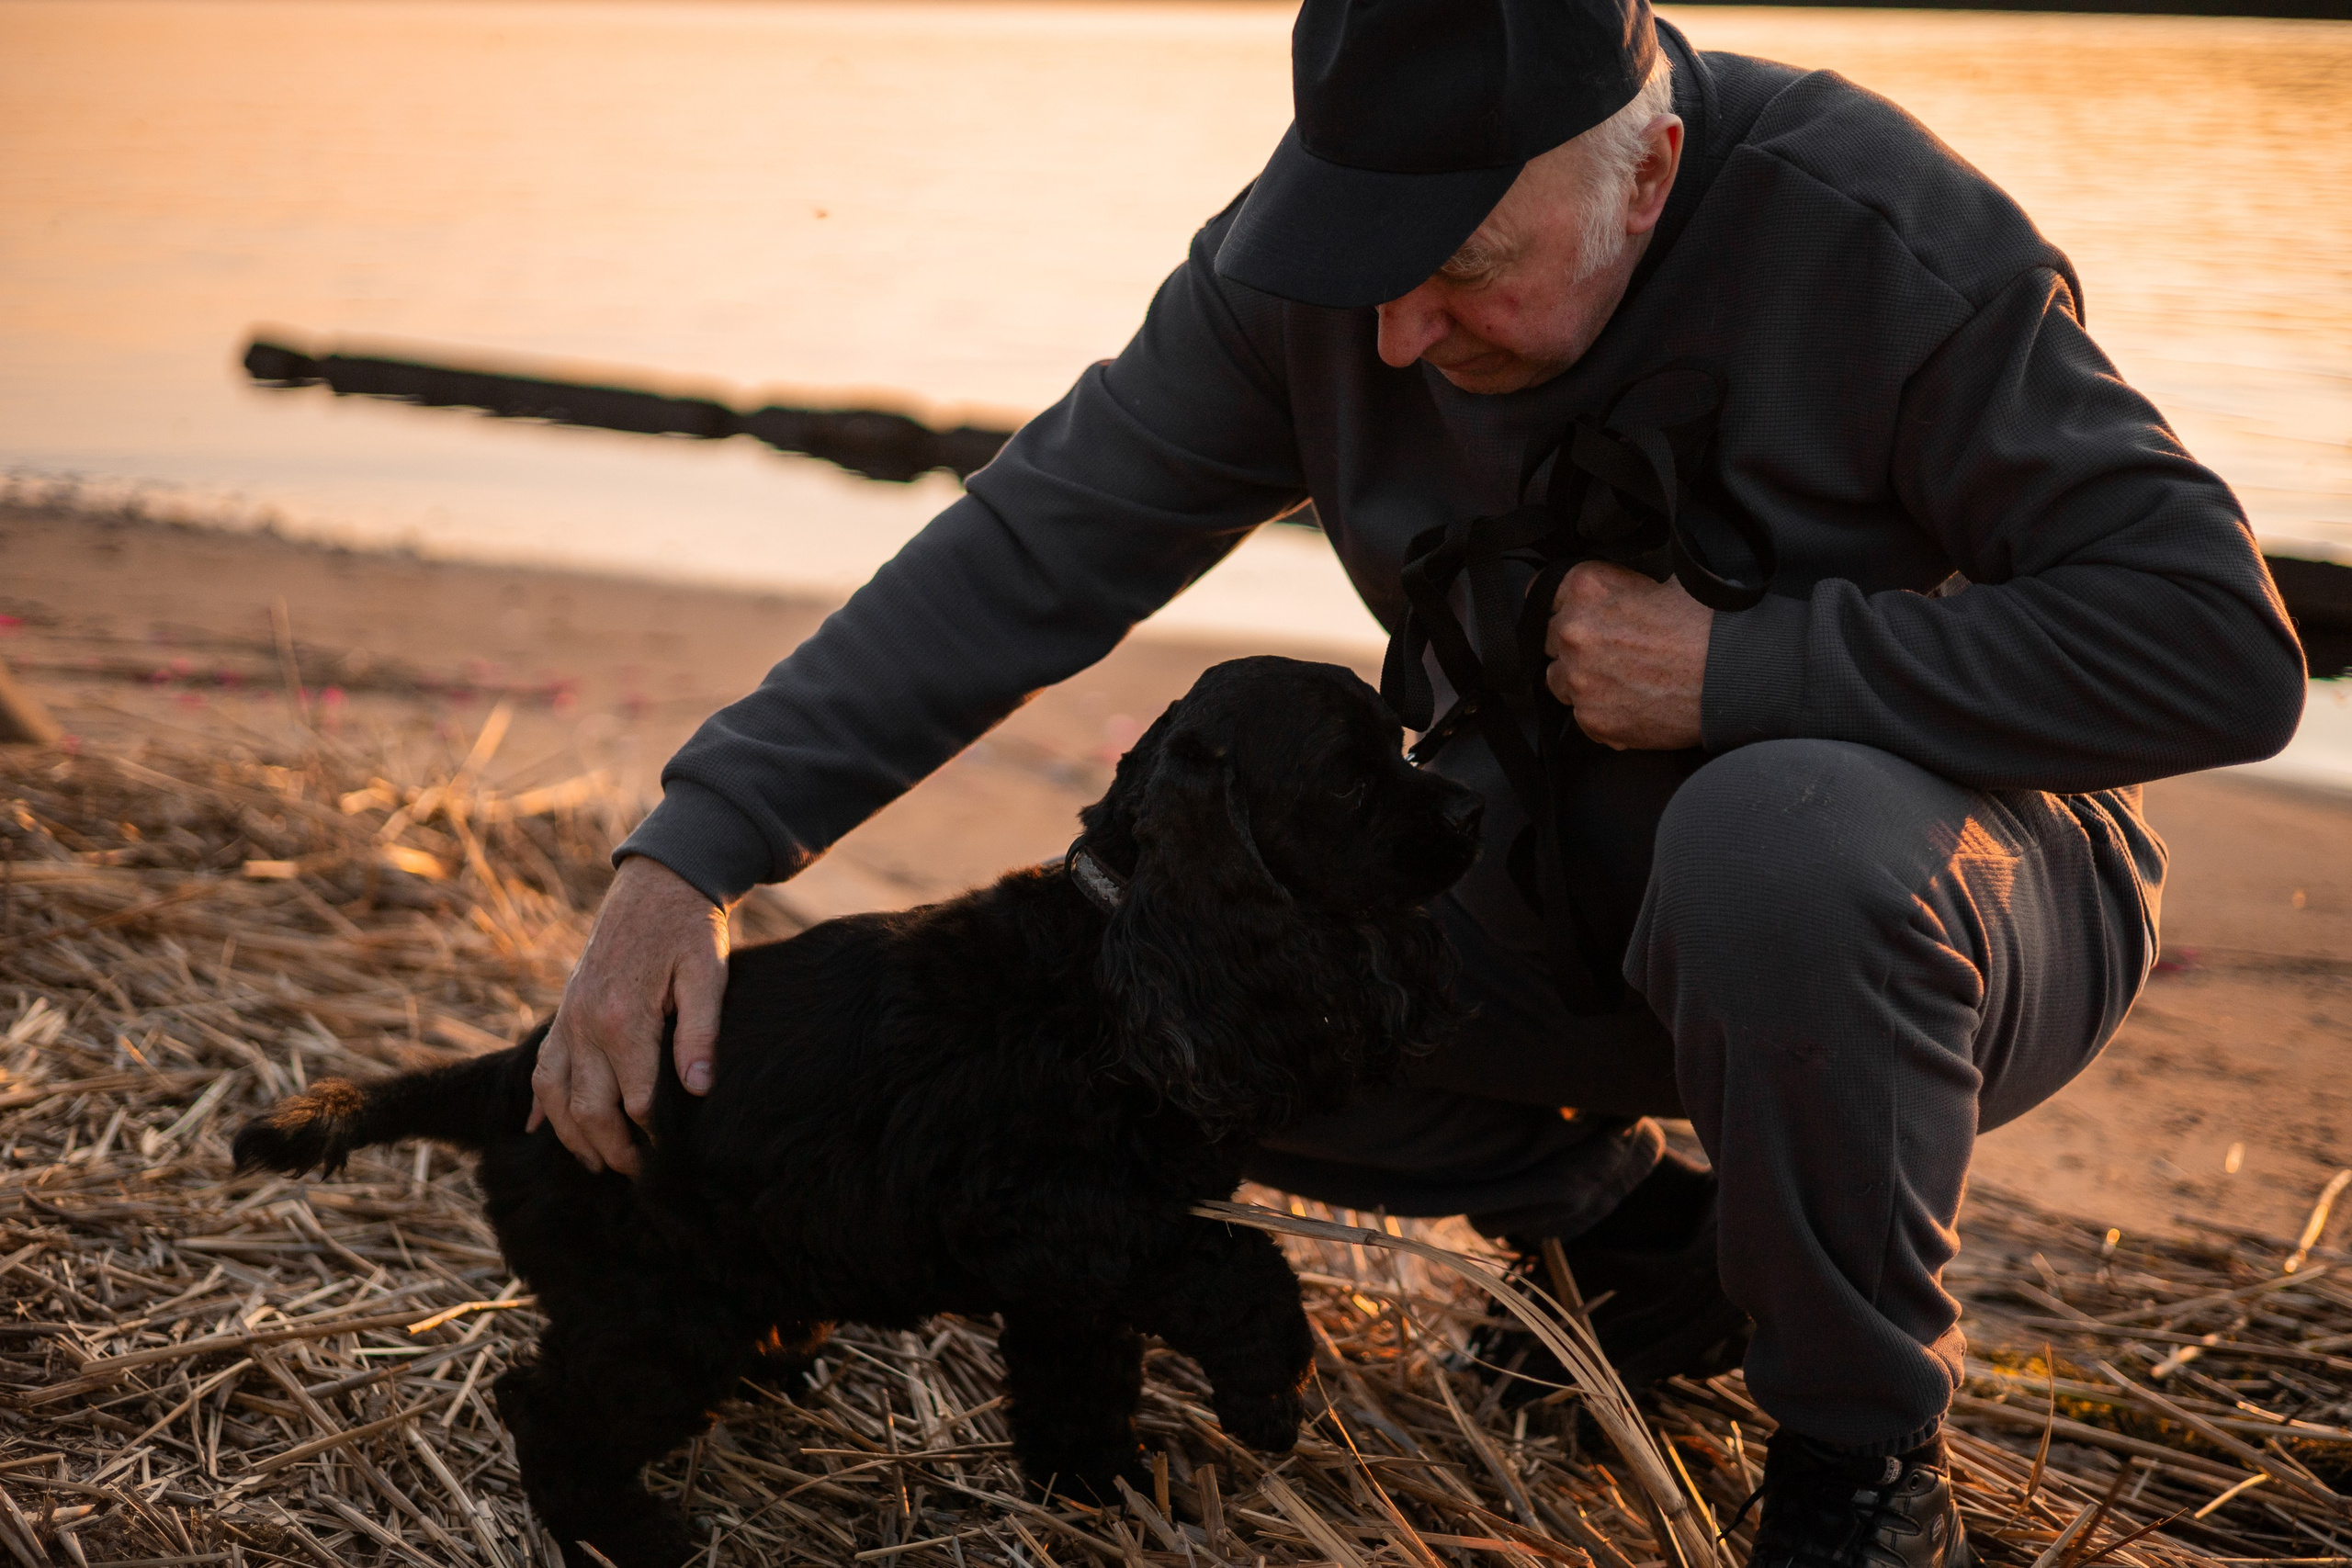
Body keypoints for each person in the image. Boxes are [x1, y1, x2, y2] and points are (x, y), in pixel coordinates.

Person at [524, 0, 2307, 1562]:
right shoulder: (1322, 273)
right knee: (1122, 974)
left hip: (1940, 894)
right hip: (1530, 861)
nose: (1390, 332)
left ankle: (1858, 1456)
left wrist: (1743, 671)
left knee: (1773, 843)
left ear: (1648, 171)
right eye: (1361, 257)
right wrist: (694, 847)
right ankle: (1626, 1228)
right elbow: (1029, 548)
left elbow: (2215, 646)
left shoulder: (1877, 237)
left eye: (1458, 264)